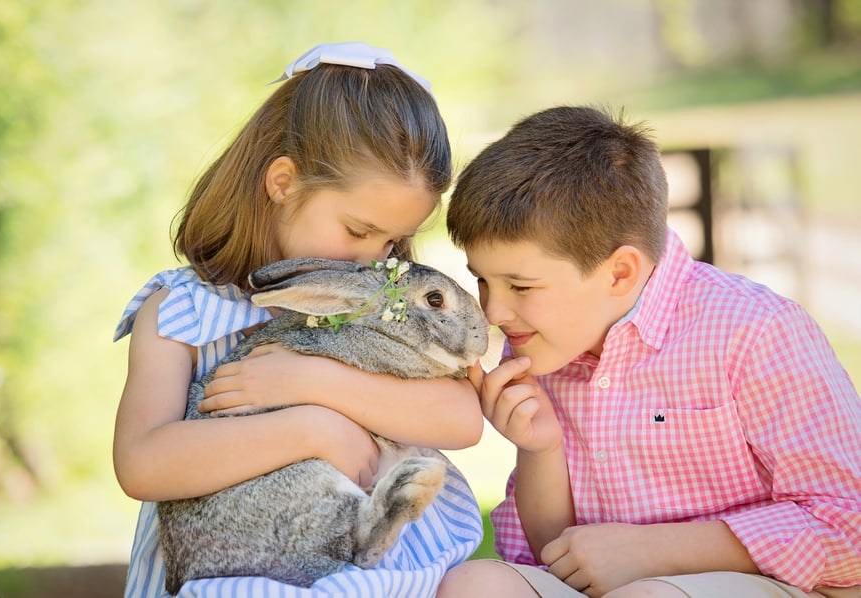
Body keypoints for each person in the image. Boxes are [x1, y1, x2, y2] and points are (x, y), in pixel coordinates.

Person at [437, 105, 861, 598]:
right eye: (483, 281)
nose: (494, 312)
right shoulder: (546, 342)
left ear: (620, 273)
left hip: (771, 585)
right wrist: (542, 451)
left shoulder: (757, 332)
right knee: (475, 585)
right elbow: (556, 557)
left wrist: (654, 551)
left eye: (521, 286)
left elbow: (847, 522)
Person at [112, 42, 484, 598]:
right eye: (359, 232)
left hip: (374, 576)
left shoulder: (375, 303)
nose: (374, 260)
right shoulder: (181, 315)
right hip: (234, 574)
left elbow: (461, 419)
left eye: (391, 241)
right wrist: (313, 429)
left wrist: (316, 383)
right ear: (283, 183)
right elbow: (143, 463)